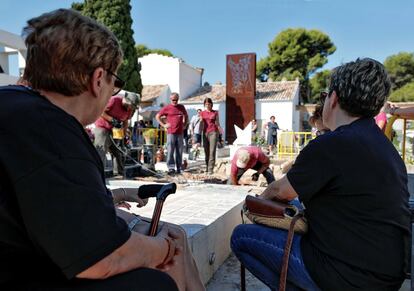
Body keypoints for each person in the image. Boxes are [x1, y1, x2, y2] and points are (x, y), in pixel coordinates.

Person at [0, 9, 204, 290]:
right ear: (98, 80)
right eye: (115, 82)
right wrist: (162, 249)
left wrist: (115, 196)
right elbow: (101, 258)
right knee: (155, 281)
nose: (114, 92)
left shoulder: (15, 106)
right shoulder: (52, 130)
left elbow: (43, 201)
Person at [231, 58, 410, 290]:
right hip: (389, 274)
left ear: (333, 98)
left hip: (346, 275)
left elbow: (278, 190)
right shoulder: (384, 147)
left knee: (242, 237)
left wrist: (255, 206)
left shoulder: (331, 144)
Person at [94, 92, 139, 176]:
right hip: (103, 128)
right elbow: (100, 111)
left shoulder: (129, 110)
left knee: (118, 152)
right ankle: (98, 174)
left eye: (132, 107)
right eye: (131, 105)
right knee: (101, 150)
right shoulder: (114, 100)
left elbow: (125, 122)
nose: (131, 108)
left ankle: (119, 173)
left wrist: (124, 134)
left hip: (115, 131)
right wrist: (111, 120)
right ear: (126, 101)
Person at [156, 93, 188, 175]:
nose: (175, 101)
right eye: (173, 99)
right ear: (170, 99)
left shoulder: (181, 107)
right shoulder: (167, 108)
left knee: (179, 151)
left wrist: (185, 124)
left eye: (176, 99)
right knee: (170, 151)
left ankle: (179, 168)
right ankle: (171, 168)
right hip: (171, 132)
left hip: (180, 132)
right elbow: (157, 116)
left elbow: (186, 115)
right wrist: (164, 125)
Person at [200, 98, 222, 174]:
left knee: (212, 151)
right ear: (204, 105)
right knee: (206, 151)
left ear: (211, 104)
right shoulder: (202, 113)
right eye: (206, 104)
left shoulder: (215, 112)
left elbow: (217, 123)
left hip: (213, 132)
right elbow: (201, 123)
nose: (207, 105)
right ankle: (207, 166)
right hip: (205, 133)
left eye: (209, 104)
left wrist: (220, 133)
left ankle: (210, 169)